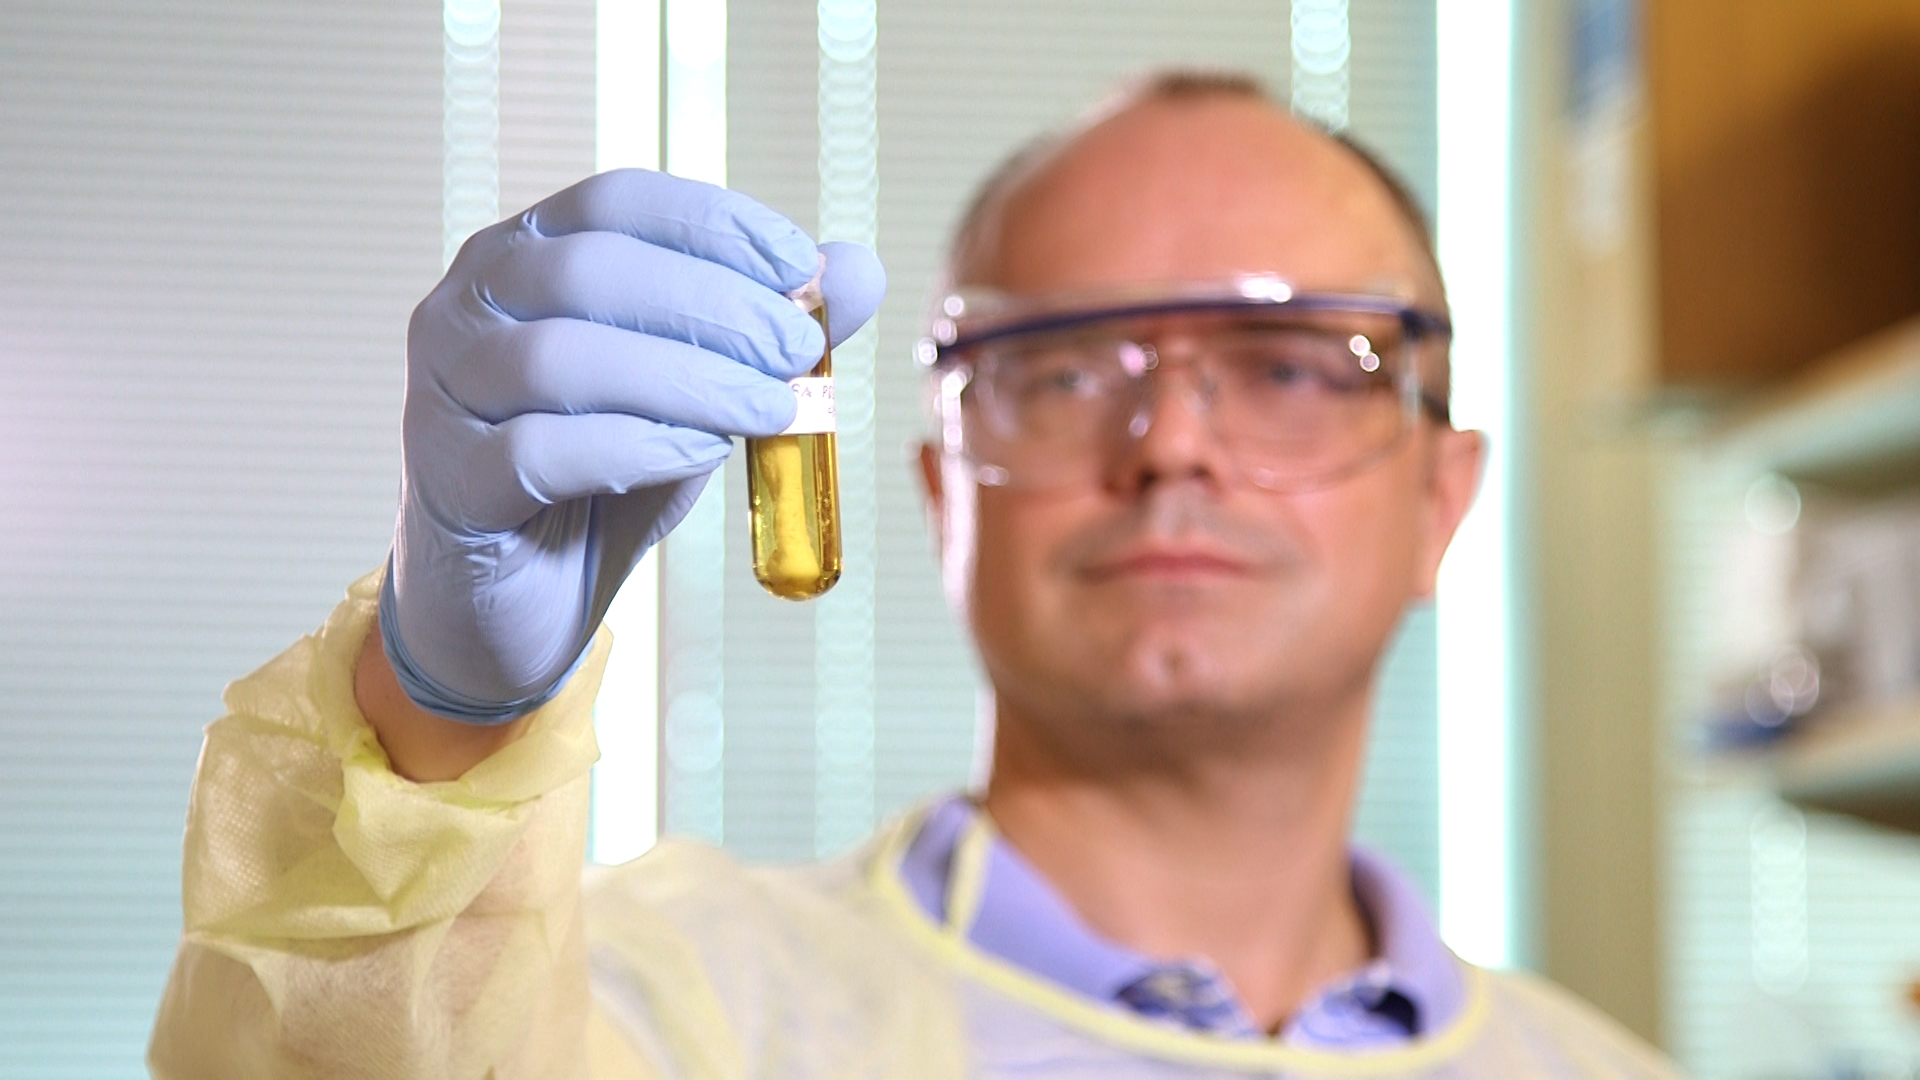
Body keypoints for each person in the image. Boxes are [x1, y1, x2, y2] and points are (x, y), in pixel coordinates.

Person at [148, 71, 1678, 1077]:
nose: (1173, 446)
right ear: (945, 491)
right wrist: (436, 716)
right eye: (1067, 369)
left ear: (1442, 500)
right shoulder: (659, 1011)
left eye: (1291, 366)